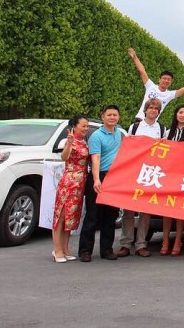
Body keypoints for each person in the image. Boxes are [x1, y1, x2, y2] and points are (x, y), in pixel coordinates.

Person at [78, 105, 126, 262]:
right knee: (93, 216)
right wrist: (97, 178)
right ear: (103, 116)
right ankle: (85, 251)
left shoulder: (119, 134)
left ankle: (107, 249)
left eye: (115, 115)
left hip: (114, 179)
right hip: (98, 177)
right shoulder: (96, 136)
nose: (112, 117)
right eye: (109, 115)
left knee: (110, 217)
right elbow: (95, 158)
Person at [118, 98, 164, 258]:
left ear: (159, 111)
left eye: (156, 108)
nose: (153, 110)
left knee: (145, 210)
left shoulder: (161, 128)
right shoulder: (135, 127)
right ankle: (125, 243)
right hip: (135, 171)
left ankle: (141, 244)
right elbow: (127, 148)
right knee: (128, 209)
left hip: (151, 172)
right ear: (145, 110)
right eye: (150, 107)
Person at [127, 47, 184, 118]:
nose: (166, 81)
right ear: (159, 79)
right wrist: (135, 57)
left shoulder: (169, 95)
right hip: (140, 120)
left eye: (168, 79)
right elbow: (142, 71)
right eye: (164, 78)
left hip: (153, 124)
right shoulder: (150, 86)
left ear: (171, 82)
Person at [52, 116, 89, 262]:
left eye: (87, 126)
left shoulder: (84, 142)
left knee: (71, 217)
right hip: (69, 181)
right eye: (83, 126)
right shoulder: (68, 140)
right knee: (61, 215)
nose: (85, 128)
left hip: (80, 183)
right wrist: (69, 143)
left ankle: (66, 248)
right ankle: (57, 250)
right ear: (74, 126)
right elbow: (64, 157)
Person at [159, 103, 184, 256]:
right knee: (167, 210)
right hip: (169, 174)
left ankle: (177, 240)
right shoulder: (167, 132)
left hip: (183, 175)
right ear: (176, 114)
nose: (183, 115)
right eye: (181, 112)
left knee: (179, 210)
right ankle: (165, 240)